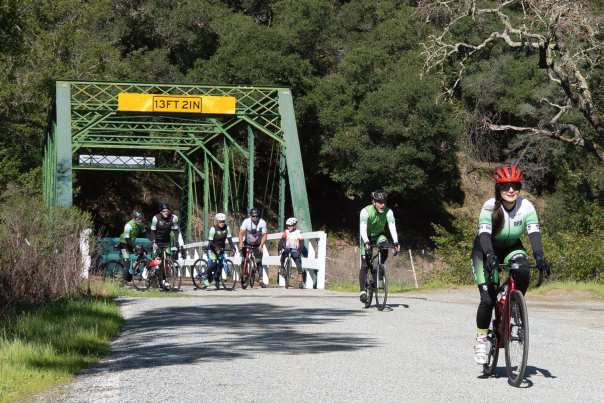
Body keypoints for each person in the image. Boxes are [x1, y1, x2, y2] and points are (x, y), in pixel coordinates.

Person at [472, 165, 550, 364]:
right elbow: (484, 235)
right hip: (485, 249)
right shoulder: (489, 206)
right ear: (498, 188)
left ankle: (513, 301)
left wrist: (539, 255)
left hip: (512, 248)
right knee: (488, 298)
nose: (510, 190)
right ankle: (481, 339)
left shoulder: (526, 207)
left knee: (523, 268)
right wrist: (489, 254)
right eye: (506, 186)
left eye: (515, 185)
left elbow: (533, 233)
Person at [359, 189, 401, 303]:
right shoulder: (365, 211)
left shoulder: (388, 212)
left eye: (384, 202)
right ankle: (363, 292)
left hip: (379, 236)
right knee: (365, 264)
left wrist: (396, 241)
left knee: (385, 247)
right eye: (380, 202)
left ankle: (379, 269)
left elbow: (392, 227)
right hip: (366, 236)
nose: (383, 205)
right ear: (374, 202)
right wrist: (366, 241)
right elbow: (362, 228)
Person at [148, 202, 180, 289]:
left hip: (167, 242)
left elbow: (176, 231)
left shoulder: (173, 218)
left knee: (167, 261)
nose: (166, 212)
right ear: (161, 212)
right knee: (158, 261)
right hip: (158, 241)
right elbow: (152, 231)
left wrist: (176, 243)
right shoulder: (156, 218)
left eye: (167, 210)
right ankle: (147, 268)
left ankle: (163, 280)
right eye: (164, 211)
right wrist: (153, 242)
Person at [203, 213, 235, 290]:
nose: (222, 223)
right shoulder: (213, 229)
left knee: (220, 265)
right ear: (217, 221)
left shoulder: (227, 228)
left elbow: (229, 238)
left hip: (221, 249)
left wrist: (232, 246)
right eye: (220, 222)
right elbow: (210, 241)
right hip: (213, 248)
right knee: (214, 264)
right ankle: (206, 276)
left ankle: (217, 280)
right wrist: (216, 248)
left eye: (223, 221)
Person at [238, 207, 268, 288]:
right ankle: (244, 274)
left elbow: (264, 235)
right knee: (244, 259)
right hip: (247, 242)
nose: (255, 218)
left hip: (257, 244)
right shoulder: (246, 222)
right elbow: (241, 232)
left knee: (258, 261)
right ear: (251, 216)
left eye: (256, 216)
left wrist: (261, 245)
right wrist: (241, 242)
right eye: (253, 216)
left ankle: (261, 280)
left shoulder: (262, 223)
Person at [118, 209, 149, 283]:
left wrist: (153, 241)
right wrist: (135, 247)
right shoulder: (128, 225)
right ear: (134, 218)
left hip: (130, 243)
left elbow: (146, 233)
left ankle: (135, 265)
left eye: (141, 219)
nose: (140, 221)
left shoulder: (140, 224)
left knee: (143, 252)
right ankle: (122, 283)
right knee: (127, 262)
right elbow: (127, 239)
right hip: (124, 243)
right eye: (138, 219)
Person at [279, 217, 305, 289]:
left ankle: (300, 282)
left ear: (294, 226)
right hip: (288, 249)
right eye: (287, 225)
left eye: (290, 226)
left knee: (299, 265)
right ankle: (282, 267)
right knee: (283, 256)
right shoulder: (286, 232)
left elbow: (302, 241)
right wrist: (280, 245)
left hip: (295, 250)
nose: (288, 227)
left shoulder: (299, 232)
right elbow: (283, 239)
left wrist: (301, 247)